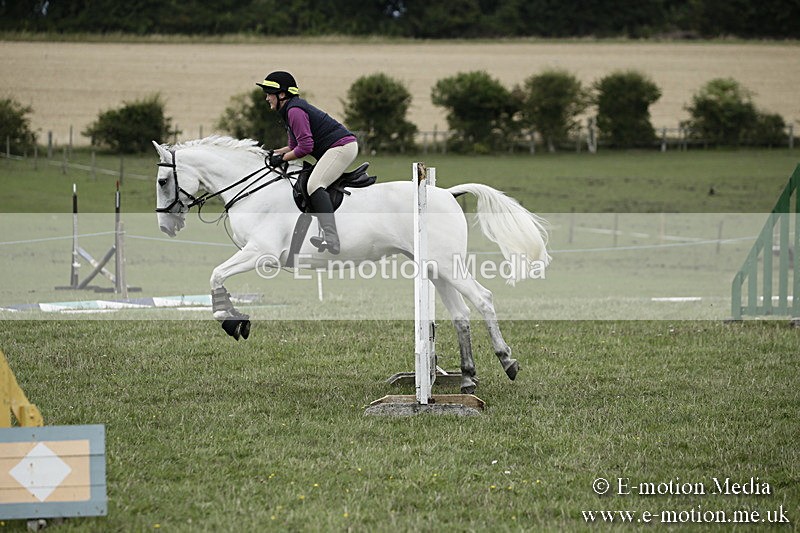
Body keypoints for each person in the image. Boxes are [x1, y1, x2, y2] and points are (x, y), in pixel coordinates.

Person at [257, 71, 358, 255]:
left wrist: (281, 159)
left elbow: (305, 147)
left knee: (314, 185)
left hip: (342, 147)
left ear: (282, 94)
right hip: (336, 147)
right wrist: (274, 153)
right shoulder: (289, 111)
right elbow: (293, 146)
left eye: (269, 93)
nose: (267, 98)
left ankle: (331, 238)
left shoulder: (294, 111)